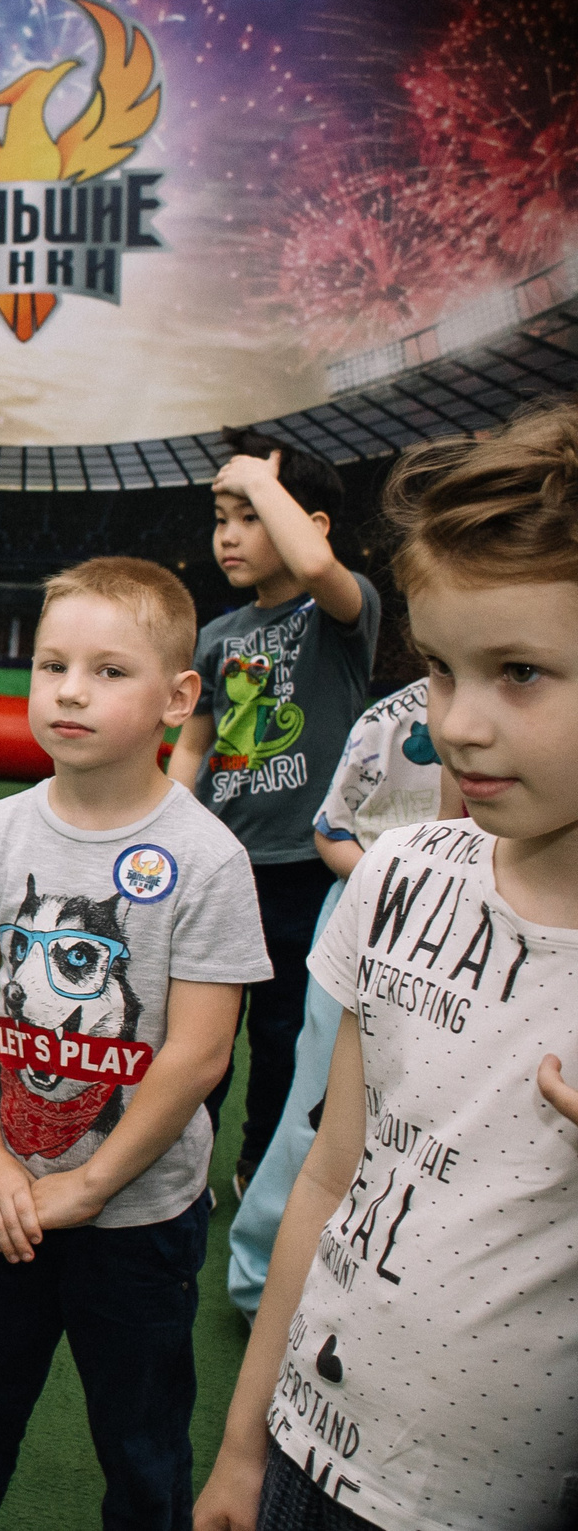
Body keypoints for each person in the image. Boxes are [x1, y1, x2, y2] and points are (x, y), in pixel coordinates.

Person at [196, 402, 578, 1531]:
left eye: (518, 672)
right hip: (302, 1450)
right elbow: (325, 1176)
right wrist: (240, 1444)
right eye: (444, 669)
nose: (455, 724)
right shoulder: (395, 875)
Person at [0, 557, 269, 1531]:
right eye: (51, 665)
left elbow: (198, 1055)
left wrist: (95, 1182)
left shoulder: (207, 858)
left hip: (138, 1221)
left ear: (176, 697)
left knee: (140, 1439)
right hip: (1, 1206)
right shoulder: (1, 826)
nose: (68, 690)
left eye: (108, 671)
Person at [166, 430, 379, 1195]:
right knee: (204, 1027)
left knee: (285, 1035)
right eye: (221, 515)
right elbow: (193, 745)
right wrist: (176, 824)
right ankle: (187, 1155)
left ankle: (262, 1165)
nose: (228, 533)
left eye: (250, 512)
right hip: (224, 869)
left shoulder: (342, 614)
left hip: (302, 871)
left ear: (307, 521)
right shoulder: (219, 635)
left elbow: (319, 566)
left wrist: (260, 474)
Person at [222, 677, 454, 1319]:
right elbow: (334, 828)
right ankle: (264, 1279)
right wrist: (404, 876)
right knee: (321, 1104)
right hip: (378, 914)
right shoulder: (392, 719)